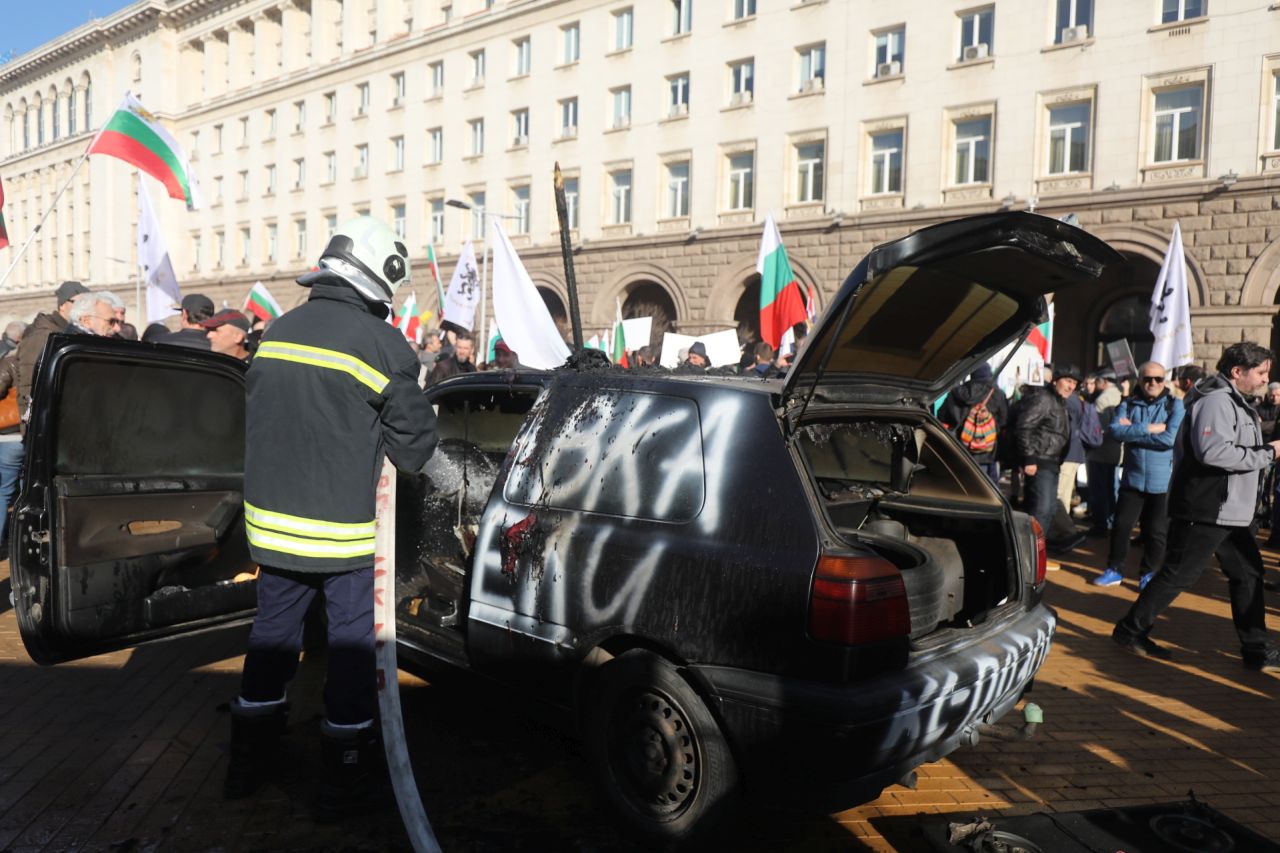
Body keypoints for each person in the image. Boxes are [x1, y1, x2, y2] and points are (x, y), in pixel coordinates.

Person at [225, 216, 438, 814]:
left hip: (270, 528)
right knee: (349, 648)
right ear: (379, 281)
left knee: (272, 638)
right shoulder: (382, 344)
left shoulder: (280, 328)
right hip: (340, 534)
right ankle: (341, 778)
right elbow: (416, 449)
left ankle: (248, 762)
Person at [1113, 342, 1280, 671]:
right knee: (1178, 574)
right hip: (1208, 508)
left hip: (1228, 510)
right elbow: (1214, 453)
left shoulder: (1233, 400)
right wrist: (1269, 454)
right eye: (1261, 373)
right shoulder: (1216, 401)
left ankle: (1257, 650)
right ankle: (1130, 630)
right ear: (1237, 372)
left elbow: (1237, 442)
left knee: (1248, 574)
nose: (1264, 380)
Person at [1093, 362, 1184, 587]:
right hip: (1132, 478)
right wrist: (1150, 428)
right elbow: (1115, 431)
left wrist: (1132, 430)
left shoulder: (1175, 406)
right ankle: (1114, 569)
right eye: (1147, 379)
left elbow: (1169, 439)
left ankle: (1149, 572)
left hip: (1161, 481)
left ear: (1165, 381)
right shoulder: (1128, 402)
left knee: (1156, 531)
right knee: (1121, 527)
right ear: (1139, 380)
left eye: (1158, 379)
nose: (1152, 383)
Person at [1012, 364, 1079, 552]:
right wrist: (1029, 459)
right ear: (1055, 380)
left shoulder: (1059, 401)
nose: (1071, 386)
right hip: (1040, 462)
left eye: (1074, 383)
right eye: (1068, 380)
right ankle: (1028, 555)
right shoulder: (1044, 398)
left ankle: (1036, 552)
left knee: (1047, 510)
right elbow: (1024, 427)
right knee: (1041, 510)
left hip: (1051, 462)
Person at [15, 281, 88, 425]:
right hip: (43, 427)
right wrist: (33, 430)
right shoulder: (43, 335)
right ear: (62, 304)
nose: (85, 308)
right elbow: (30, 387)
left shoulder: (68, 332)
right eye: (80, 302)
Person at [1049, 364, 1097, 552]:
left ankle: (1068, 532)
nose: (1070, 386)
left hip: (1068, 454)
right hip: (1073, 453)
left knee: (1058, 496)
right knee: (1063, 495)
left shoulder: (1069, 401)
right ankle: (1060, 533)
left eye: (1072, 382)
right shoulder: (1076, 400)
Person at [939, 363, 1009, 484]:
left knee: (961, 485)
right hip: (987, 450)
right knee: (988, 487)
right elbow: (1004, 420)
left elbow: (942, 415)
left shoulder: (956, 393)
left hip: (960, 448)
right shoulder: (997, 393)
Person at [1085, 369, 1123, 536]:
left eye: (1098, 380)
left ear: (1105, 381)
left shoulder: (1103, 399)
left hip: (1100, 452)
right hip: (1114, 451)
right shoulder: (1120, 396)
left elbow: (1096, 429)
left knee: (1099, 490)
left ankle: (1101, 524)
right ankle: (1110, 520)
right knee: (1111, 489)